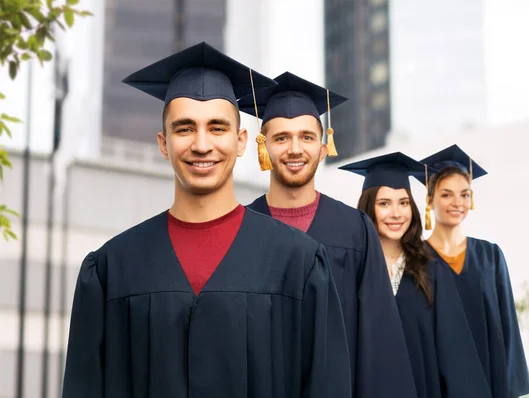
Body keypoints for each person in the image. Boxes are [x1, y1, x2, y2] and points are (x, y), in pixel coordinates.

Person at [61, 42, 352, 398]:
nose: (201, 144)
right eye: (184, 129)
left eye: (217, 128)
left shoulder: (299, 263)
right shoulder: (112, 268)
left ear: (242, 140)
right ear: (163, 143)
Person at [239, 72, 417, 398]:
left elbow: (379, 342)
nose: (295, 149)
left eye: (307, 137)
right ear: (262, 148)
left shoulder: (355, 230)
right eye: (281, 138)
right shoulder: (240, 230)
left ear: (323, 148)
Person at [341, 151, 493, 398]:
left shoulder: (431, 269)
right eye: (384, 203)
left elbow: (455, 353)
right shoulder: (350, 269)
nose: (396, 214)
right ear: (368, 208)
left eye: (403, 203)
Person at [420, 144, 529, 397]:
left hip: (488, 380)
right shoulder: (416, 260)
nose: (457, 203)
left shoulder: (490, 256)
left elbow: (508, 326)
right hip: (436, 385)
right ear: (429, 200)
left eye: (465, 194)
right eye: (446, 194)